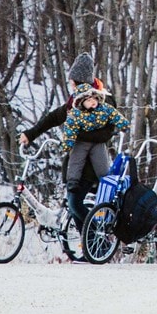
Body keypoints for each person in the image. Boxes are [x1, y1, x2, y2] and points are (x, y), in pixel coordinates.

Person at [19, 53, 115, 230]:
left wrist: (78, 134)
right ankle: (86, 249)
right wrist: (30, 134)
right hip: (76, 163)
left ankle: (98, 241)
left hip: (92, 165)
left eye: (73, 80)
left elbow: (106, 133)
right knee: (73, 206)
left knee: (75, 203)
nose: (71, 84)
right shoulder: (75, 102)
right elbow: (53, 118)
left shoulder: (102, 100)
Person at [61, 84, 130, 228]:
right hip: (81, 142)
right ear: (81, 102)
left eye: (94, 98)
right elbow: (70, 129)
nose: (93, 102)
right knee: (76, 159)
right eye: (88, 100)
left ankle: (103, 182)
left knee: (101, 162)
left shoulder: (104, 109)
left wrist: (123, 124)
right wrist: (67, 144)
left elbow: (114, 115)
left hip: (97, 143)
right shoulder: (76, 114)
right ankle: (72, 180)